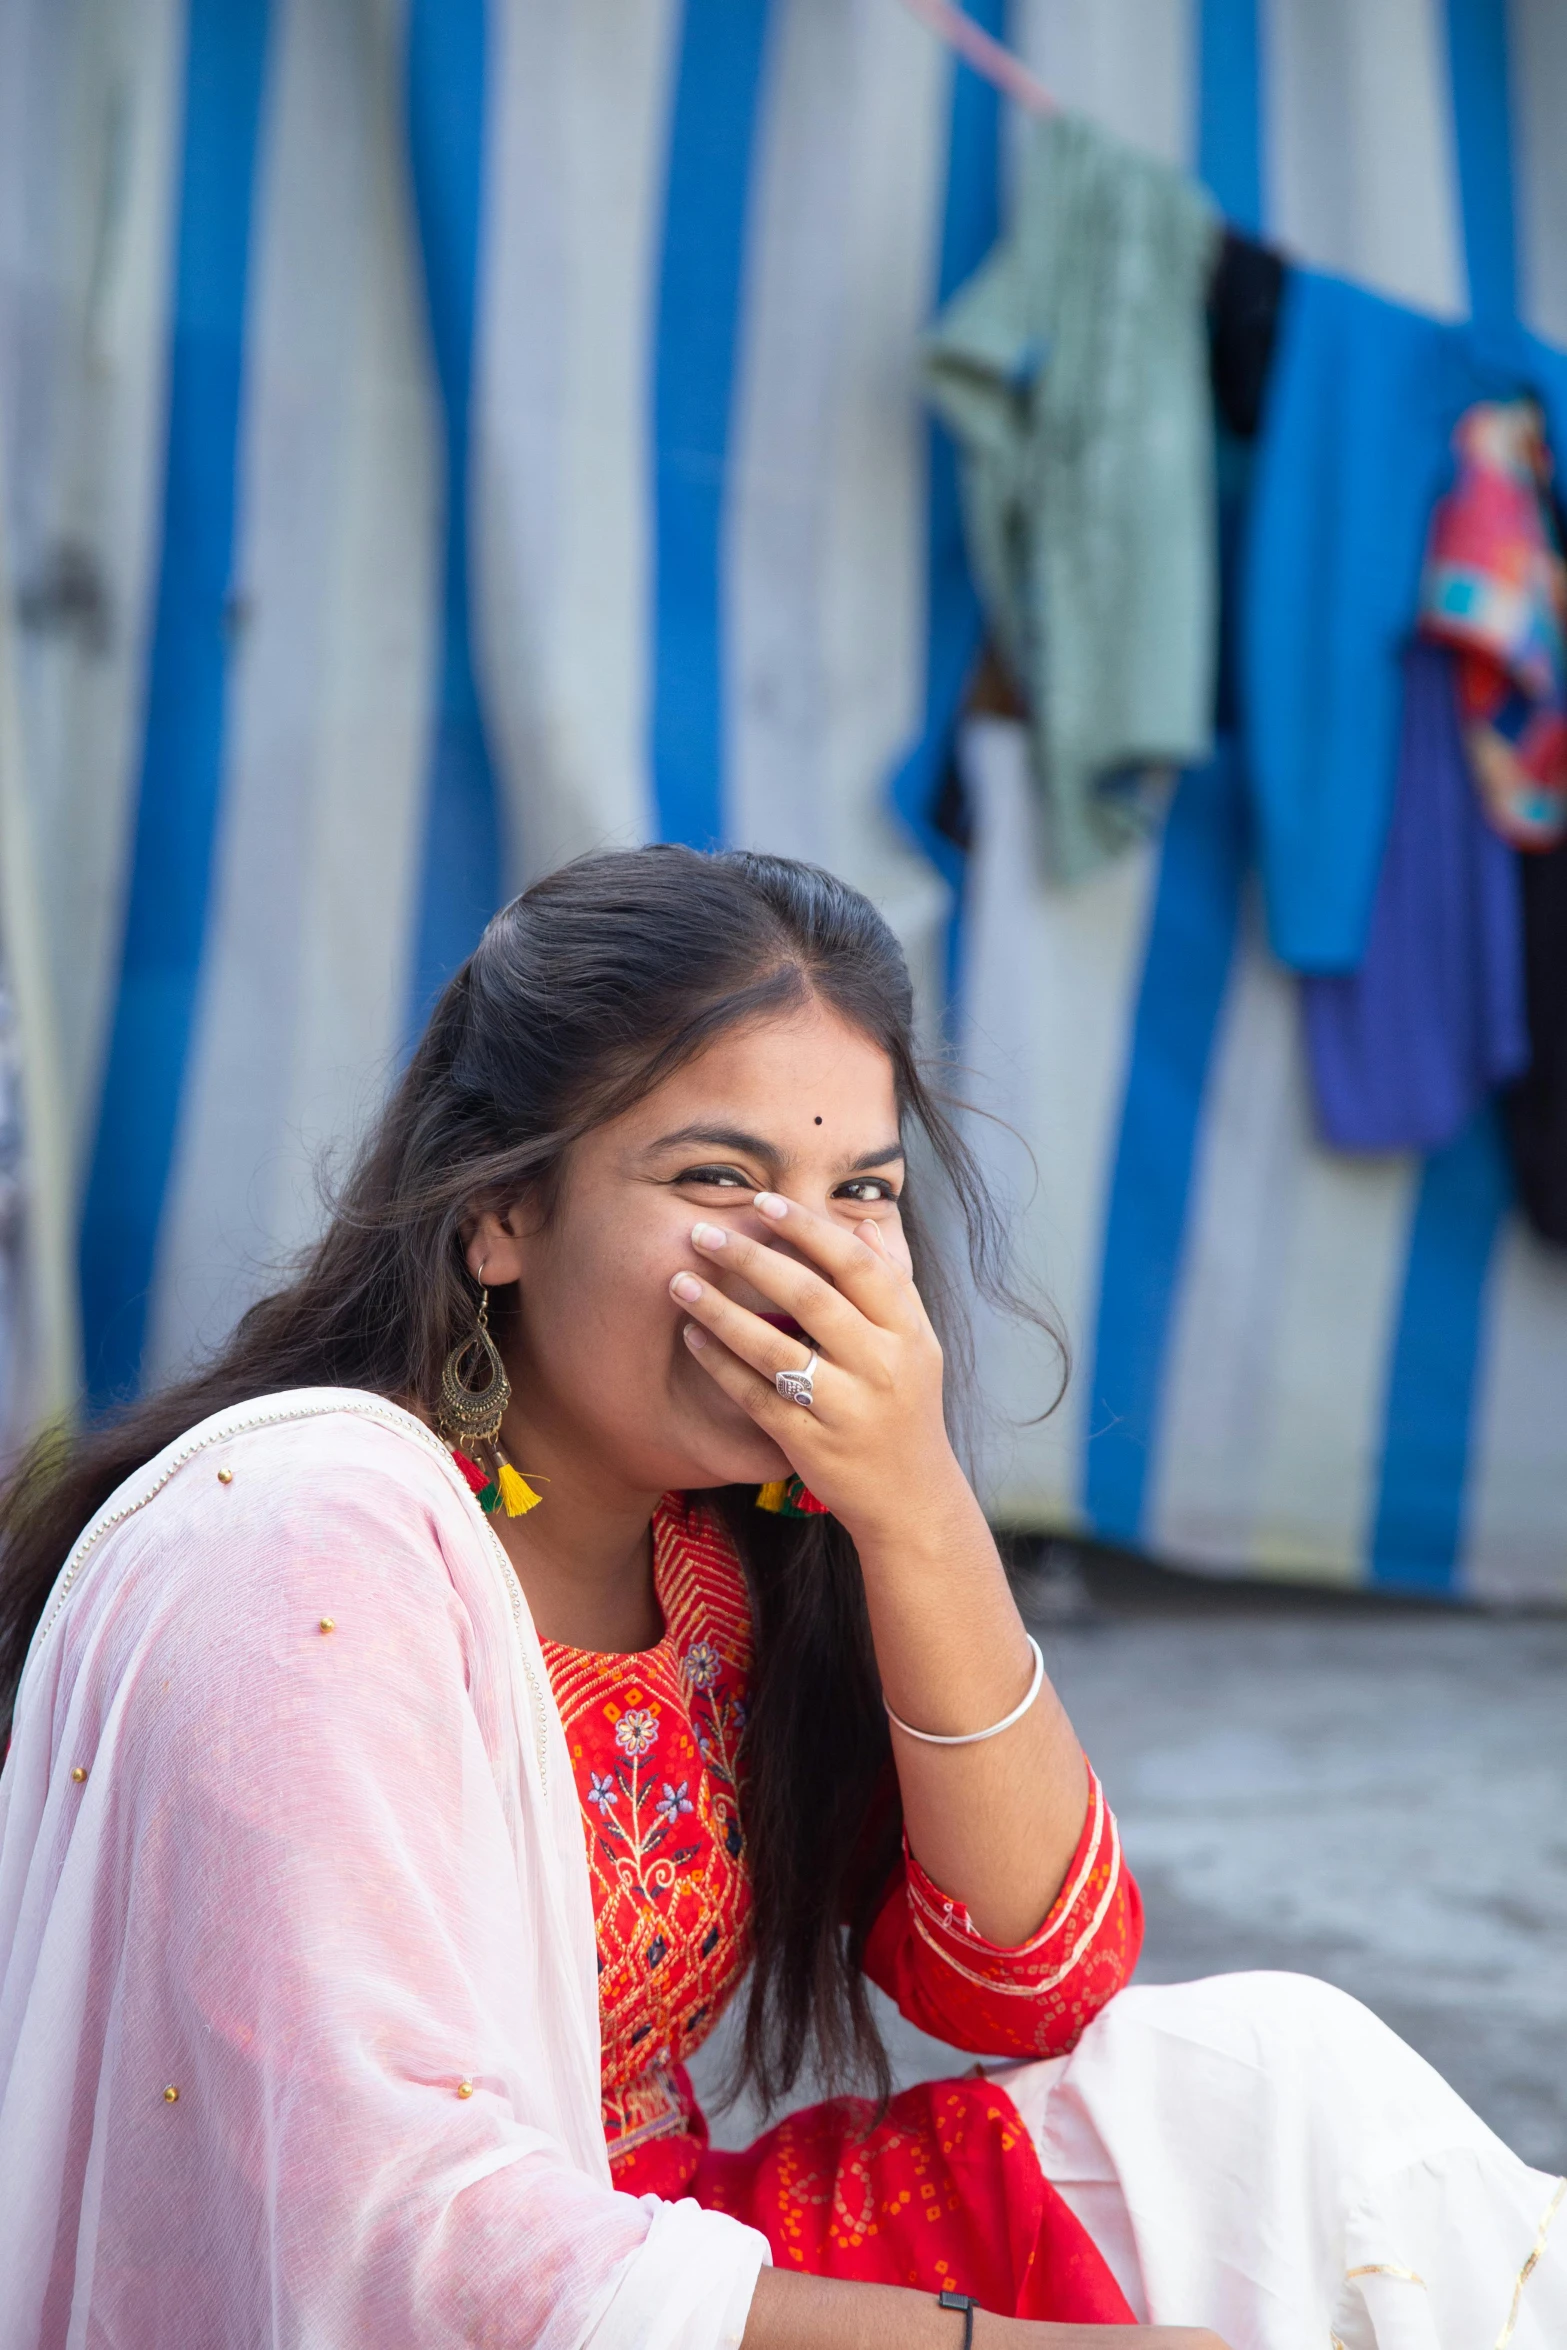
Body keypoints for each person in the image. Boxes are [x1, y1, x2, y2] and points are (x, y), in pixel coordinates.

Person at [0, 847, 1558, 2350]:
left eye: (858, 1188)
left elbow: (1031, 1977)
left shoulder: (718, 1559)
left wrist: (916, 1500)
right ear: (500, 1213)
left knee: (1273, 2097)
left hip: (649, 2268)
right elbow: (388, 2240)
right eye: (717, 1176)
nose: (800, 1259)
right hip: (460, 2309)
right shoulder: (308, 1548)